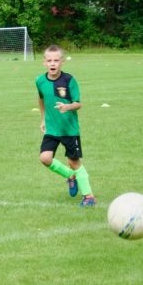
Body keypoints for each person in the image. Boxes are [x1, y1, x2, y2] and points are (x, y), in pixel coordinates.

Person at [37, 44, 96, 207]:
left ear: (62, 62)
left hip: (69, 129)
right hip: (52, 129)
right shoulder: (40, 81)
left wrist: (67, 107)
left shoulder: (69, 80)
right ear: (44, 62)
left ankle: (89, 196)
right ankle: (70, 176)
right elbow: (41, 98)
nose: (53, 63)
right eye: (49, 60)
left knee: (73, 162)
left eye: (56, 60)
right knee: (45, 158)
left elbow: (78, 103)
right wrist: (43, 119)